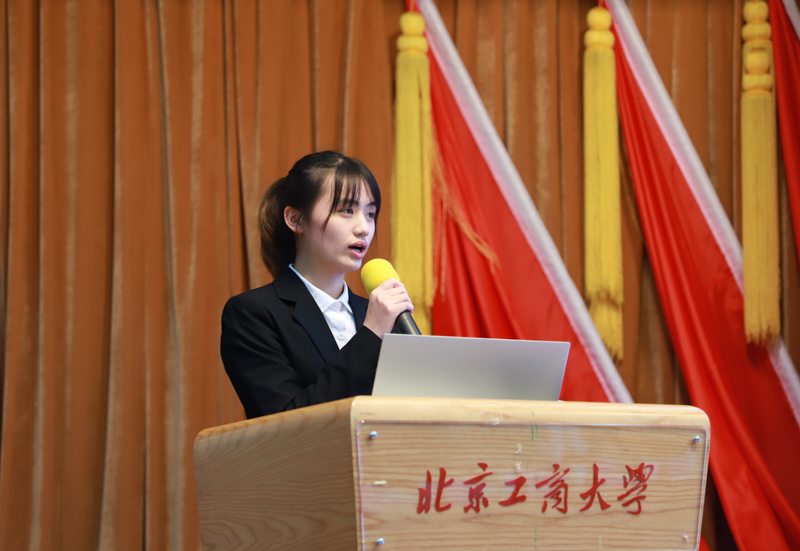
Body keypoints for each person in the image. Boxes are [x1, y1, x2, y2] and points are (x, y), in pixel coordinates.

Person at [220, 151, 413, 419]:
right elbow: (287, 420)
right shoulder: (253, 314)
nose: (364, 228)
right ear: (296, 219)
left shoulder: (379, 314)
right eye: (347, 211)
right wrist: (371, 334)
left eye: (370, 213)